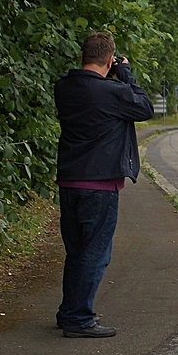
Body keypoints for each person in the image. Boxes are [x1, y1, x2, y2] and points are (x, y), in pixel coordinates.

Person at [53, 31, 153, 338]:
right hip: (100, 185)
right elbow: (145, 108)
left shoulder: (64, 87)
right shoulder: (113, 92)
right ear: (109, 59)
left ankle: (69, 312)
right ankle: (79, 319)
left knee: (77, 251)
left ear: (83, 56)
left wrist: (115, 75)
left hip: (69, 181)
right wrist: (125, 75)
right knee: (95, 253)